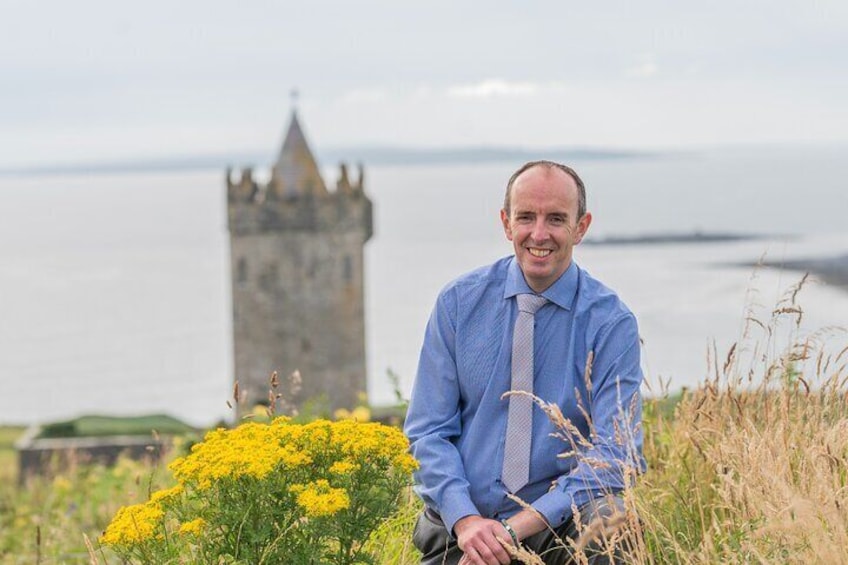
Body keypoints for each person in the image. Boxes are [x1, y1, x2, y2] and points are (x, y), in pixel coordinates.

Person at [404, 161, 645, 565]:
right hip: (464, 533)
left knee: (614, 521)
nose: (539, 234)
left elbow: (617, 456)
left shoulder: (610, 323)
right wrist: (467, 522)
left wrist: (517, 527)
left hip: (561, 530)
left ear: (581, 227)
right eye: (526, 218)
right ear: (505, 223)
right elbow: (428, 432)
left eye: (556, 219)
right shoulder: (458, 304)